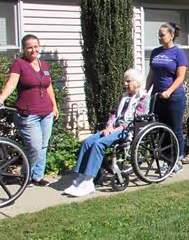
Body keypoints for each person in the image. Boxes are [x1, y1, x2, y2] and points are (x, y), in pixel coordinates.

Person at [64, 69, 150, 198]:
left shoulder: (144, 98)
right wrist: (109, 125)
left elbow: (138, 117)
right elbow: (114, 113)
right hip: (114, 129)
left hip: (128, 130)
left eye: (128, 81)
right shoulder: (123, 96)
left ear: (137, 82)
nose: (125, 84)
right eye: (125, 81)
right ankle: (82, 177)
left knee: (99, 144)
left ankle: (88, 182)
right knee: (88, 142)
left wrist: (118, 128)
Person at [0, 34, 59, 186]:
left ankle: (37, 177)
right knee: (34, 146)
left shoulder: (44, 65)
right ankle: (26, 175)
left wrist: (54, 106)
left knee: (43, 146)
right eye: (29, 47)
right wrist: (0, 99)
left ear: (39, 47)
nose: (33, 50)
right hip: (28, 114)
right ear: (24, 49)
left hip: (46, 112)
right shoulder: (19, 64)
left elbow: (49, 87)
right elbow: (11, 84)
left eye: (35, 46)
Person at [145, 22, 188, 173]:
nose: (159, 37)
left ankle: (178, 160)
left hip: (174, 97)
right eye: (159, 35)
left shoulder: (178, 53)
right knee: (161, 129)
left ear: (171, 36)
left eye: (162, 35)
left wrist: (169, 91)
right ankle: (165, 159)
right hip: (157, 96)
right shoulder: (155, 52)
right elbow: (152, 74)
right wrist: (145, 90)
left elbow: (180, 77)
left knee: (174, 129)